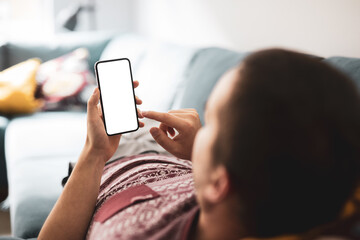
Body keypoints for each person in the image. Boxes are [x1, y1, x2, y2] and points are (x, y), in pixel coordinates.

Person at [37, 49, 360, 240]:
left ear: (220, 183)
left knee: (116, 123)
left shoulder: (130, 234)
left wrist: (94, 153)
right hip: (173, 161)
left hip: (112, 163)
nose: (198, 125)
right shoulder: (270, 194)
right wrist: (197, 152)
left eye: (211, 123)